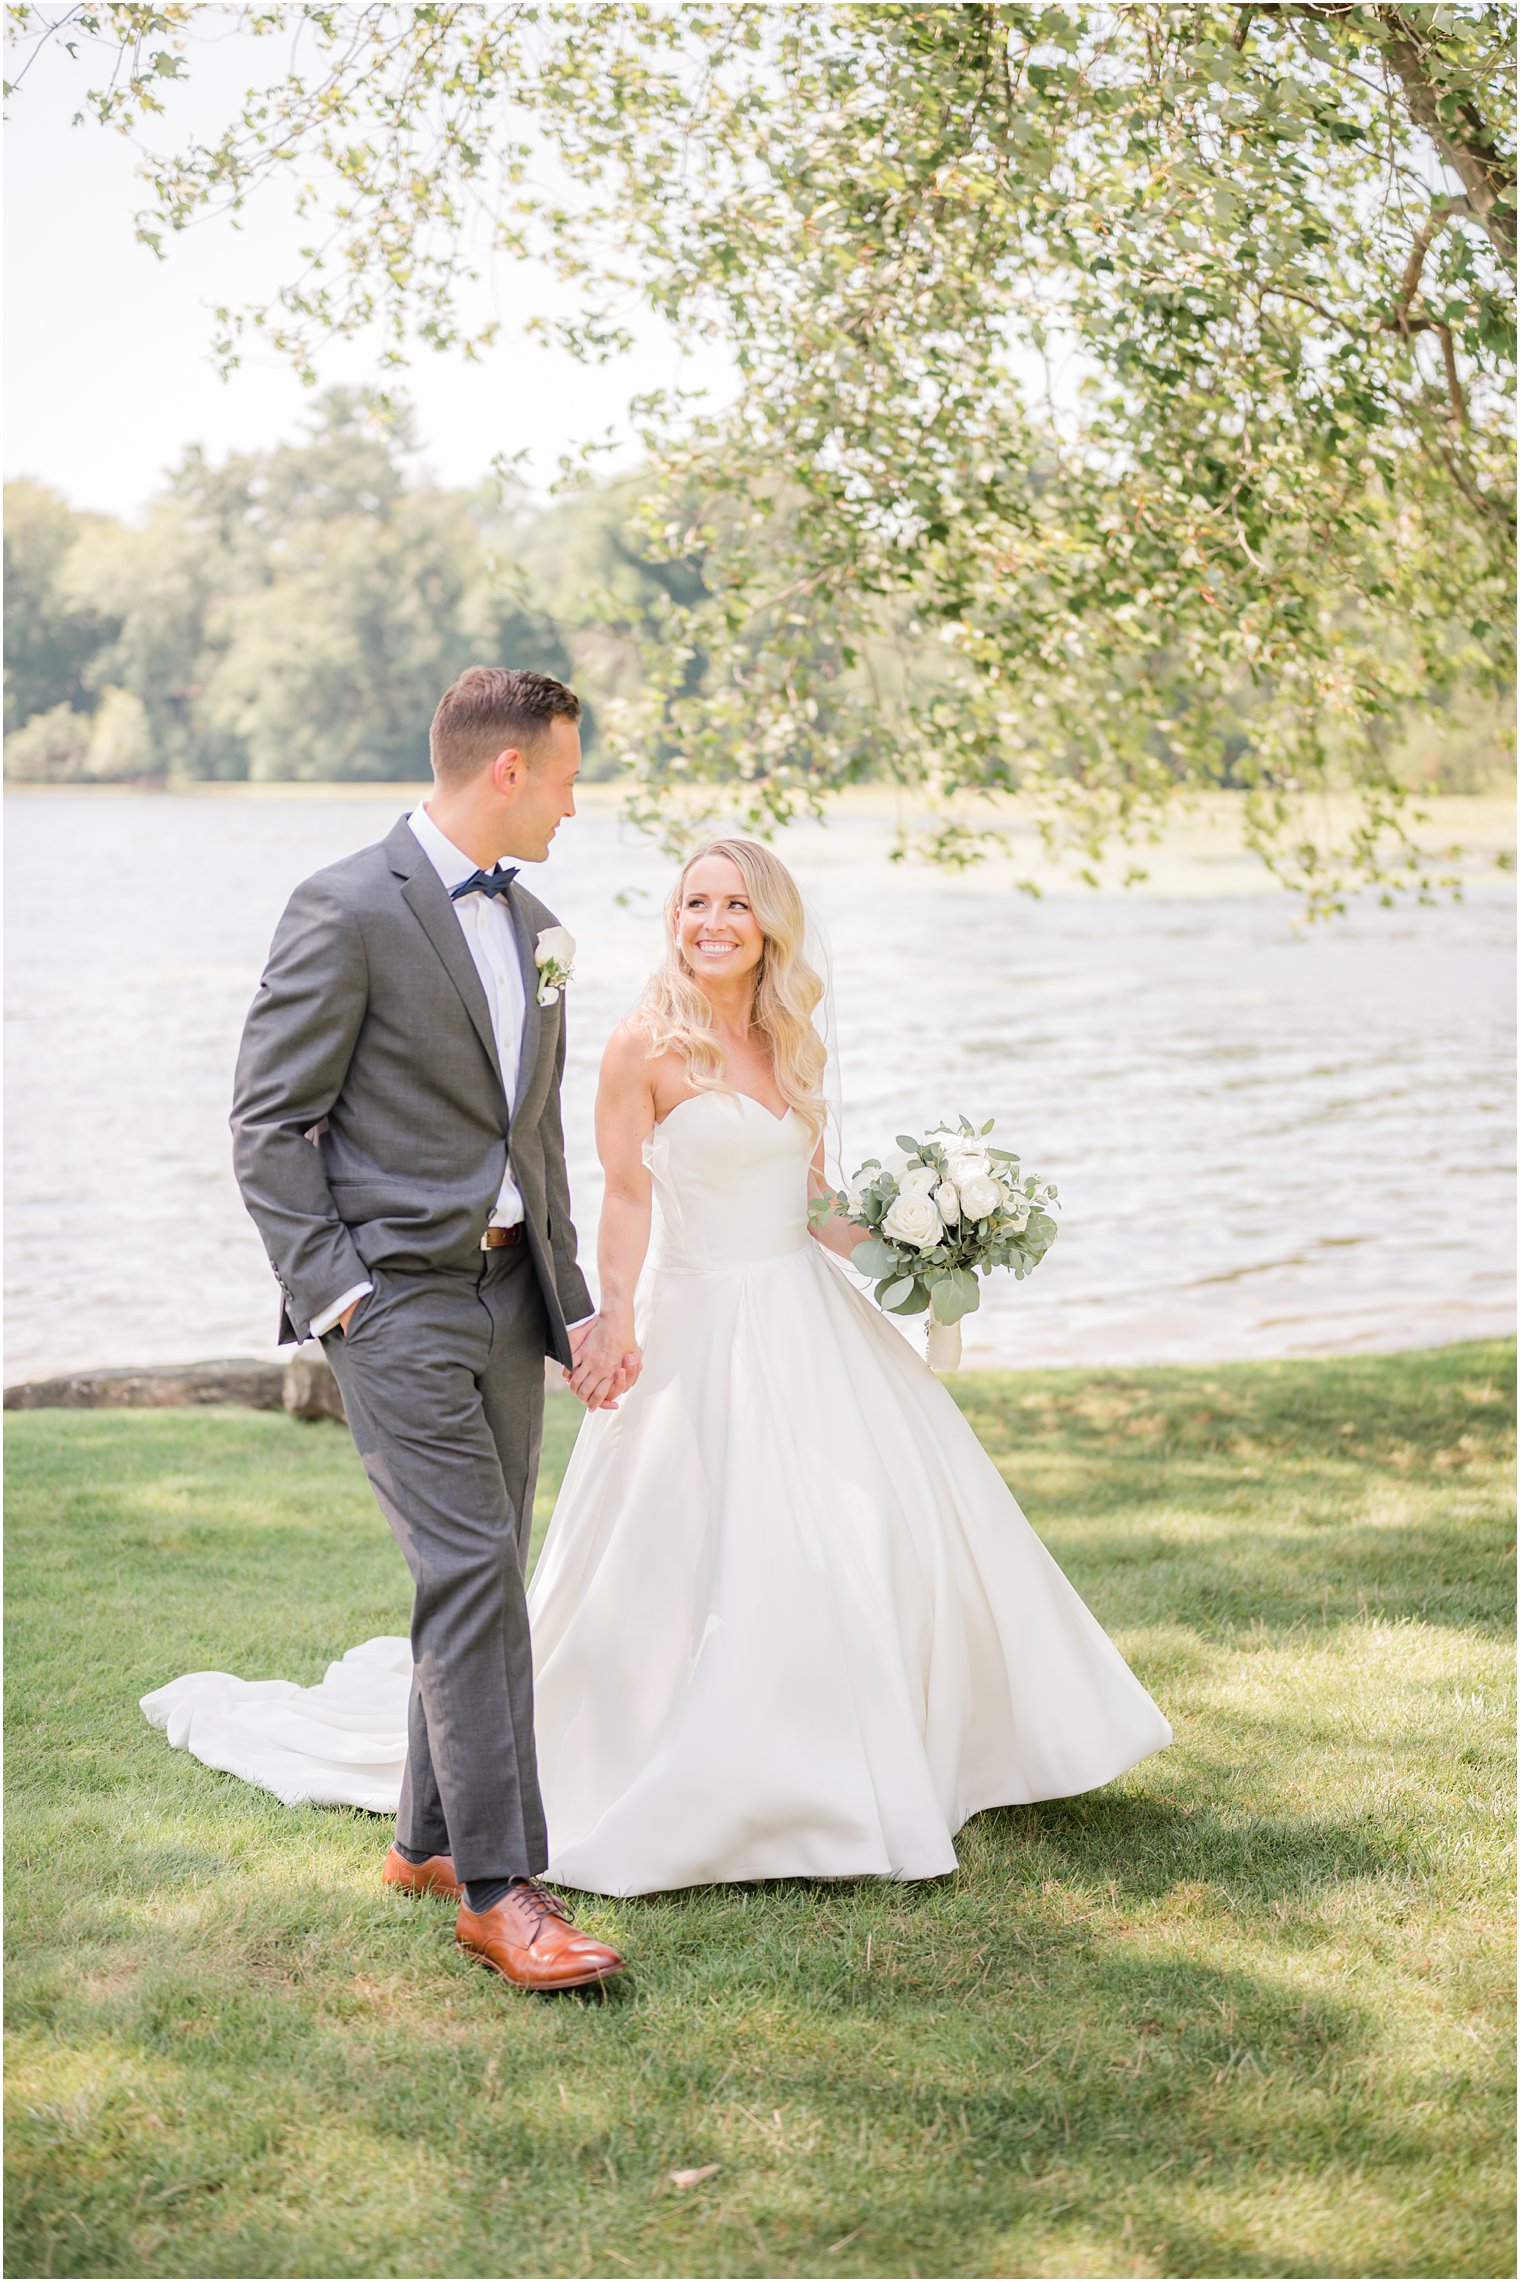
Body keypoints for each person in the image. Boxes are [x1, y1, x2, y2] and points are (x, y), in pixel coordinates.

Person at [525, 837, 1172, 1893]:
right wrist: (613, 1321)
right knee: (720, 1546)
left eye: (735, 903)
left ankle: (900, 1751)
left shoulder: (789, 1037)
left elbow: (813, 1197)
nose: (712, 922)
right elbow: (625, 1196)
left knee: (881, 1524)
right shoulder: (644, 1042)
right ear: (673, 918)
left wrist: (919, 1256)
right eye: (695, 902)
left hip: (806, 1311)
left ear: (768, 921)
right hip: (699, 1318)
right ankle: (731, 1764)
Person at [225, 665, 632, 1991]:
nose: (575, 804)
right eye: (566, 776)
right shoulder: (343, 906)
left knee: (476, 1571)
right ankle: (506, 1889)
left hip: (508, 1302)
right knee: (474, 1576)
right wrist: (339, 1292)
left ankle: (423, 1837)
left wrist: (571, 1301)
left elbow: (540, 1143)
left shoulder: (542, 925)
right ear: (506, 769)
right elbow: (269, 1123)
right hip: (390, 1304)